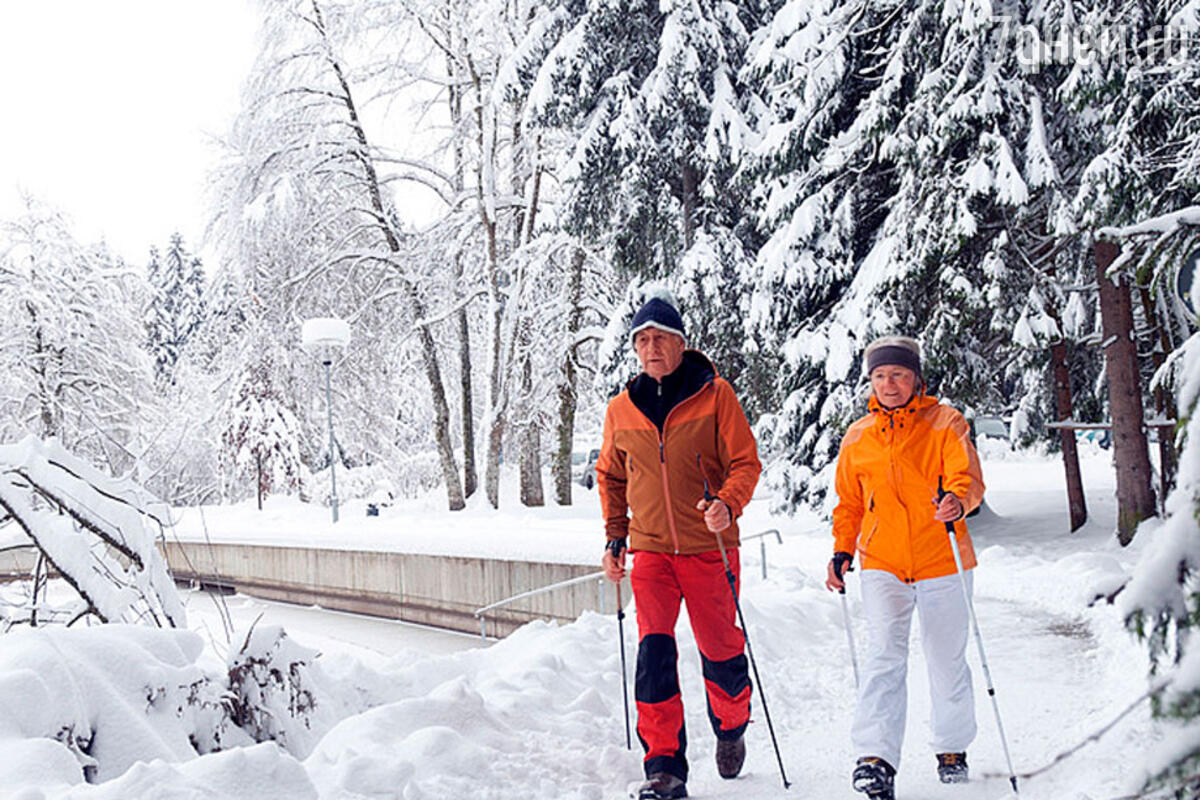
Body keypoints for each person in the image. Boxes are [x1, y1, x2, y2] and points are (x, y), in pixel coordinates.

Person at [597, 294, 762, 800]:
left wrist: (728, 506)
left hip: (708, 547)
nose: (651, 348)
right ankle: (664, 766)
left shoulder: (716, 396)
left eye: (660, 338)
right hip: (650, 555)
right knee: (654, 655)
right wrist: (615, 536)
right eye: (642, 340)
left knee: (720, 651)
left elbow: (745, 463)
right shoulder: (621, 409)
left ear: (681, 344)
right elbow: (610, 475)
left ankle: (731, 725)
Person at [825, 336, 985, 800]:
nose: (888, 384)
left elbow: (966, 477)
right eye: (879, 376)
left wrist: (957, 501)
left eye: (897, 374)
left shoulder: (945, 422)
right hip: (883, 563)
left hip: (943, 560)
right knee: (883, 659)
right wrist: (842, 552)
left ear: (916, 378)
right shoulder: (858, 436)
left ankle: (952, 746)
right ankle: (875, 758)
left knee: (945, 659)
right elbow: (849, 503)